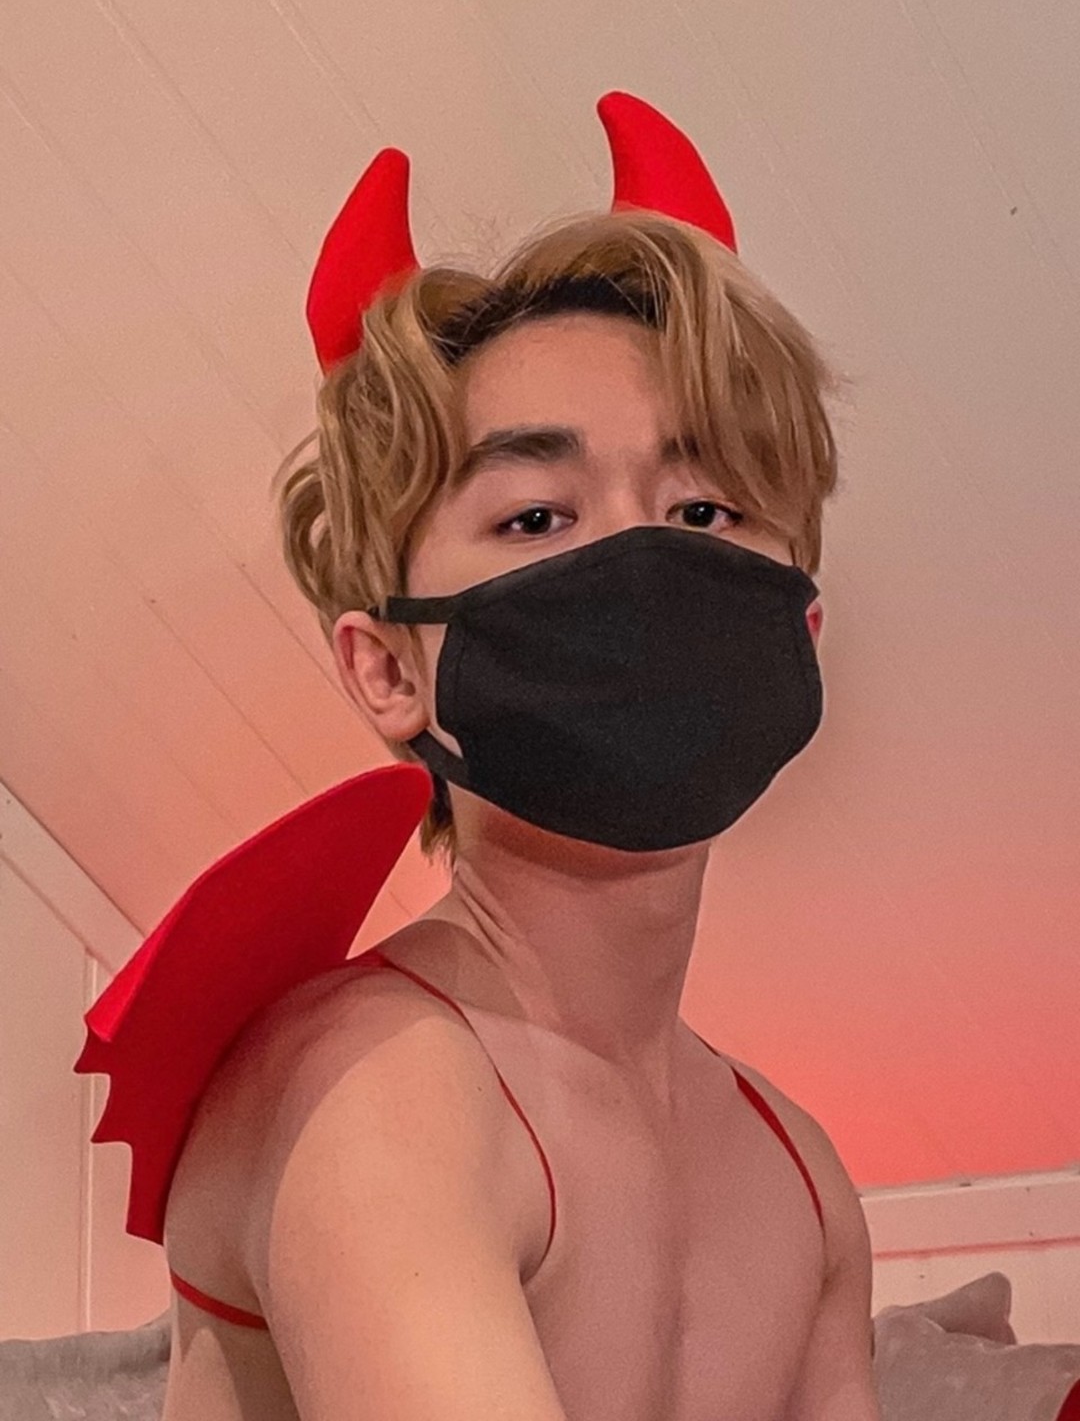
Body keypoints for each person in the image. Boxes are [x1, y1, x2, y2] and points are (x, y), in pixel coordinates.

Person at [110, 93, 881, 1420]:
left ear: (799, 621)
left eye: (705, 508)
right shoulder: (374, 1087)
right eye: (536, 516)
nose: (641, 559)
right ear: (388, 669)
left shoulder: (802, 1179)